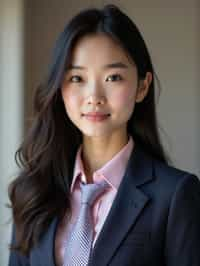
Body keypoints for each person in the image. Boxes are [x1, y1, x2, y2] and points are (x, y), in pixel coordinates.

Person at [8, 4, 200, 266]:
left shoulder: (175, 196)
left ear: (142, 86)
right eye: (77, 78)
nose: (94, 97)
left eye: (113, 77)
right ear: (59, 87)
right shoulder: (33, 191)